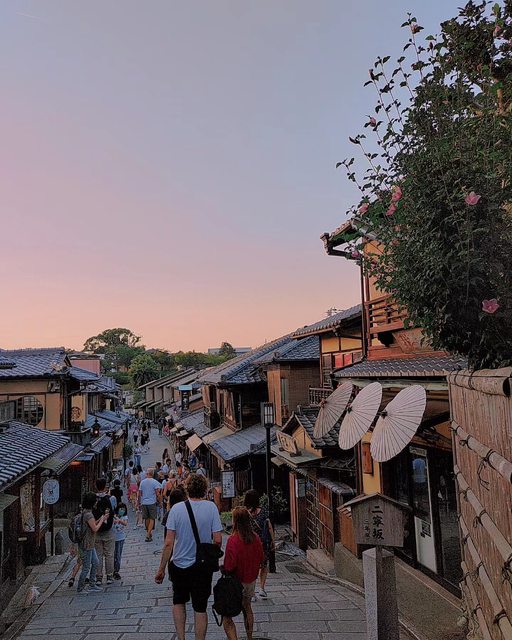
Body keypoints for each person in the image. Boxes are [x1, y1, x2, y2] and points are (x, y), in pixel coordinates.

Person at [155, 474, 223, 640]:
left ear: (187, 489)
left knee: (178, 601)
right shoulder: (211, 507)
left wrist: (161, 569)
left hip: (179, 563)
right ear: (204, 489)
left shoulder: (176, 509)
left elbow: (169, 543)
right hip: (202, 565)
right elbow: (218, 539)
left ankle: (181, 637)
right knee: (200, 607)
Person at [222, 507, 264, 640]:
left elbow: (230, 565)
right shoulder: (255, 537)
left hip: (236, 581)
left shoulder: (233, 539)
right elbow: (261, 558)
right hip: (250, 579)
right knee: (247, 608)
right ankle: (249, 637)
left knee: (226, 616)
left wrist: (223, 569)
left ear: (235, 521)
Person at [244, 490, 274, 599]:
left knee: (252, 567)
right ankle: (262, 588)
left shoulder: (245, 513)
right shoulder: (263, 511)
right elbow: (269, 526)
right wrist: (273, 540)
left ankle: (252, 592)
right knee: (264, 565)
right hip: (263, 543)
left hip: (250, 543)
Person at [77, 492, 109, 594]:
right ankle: (80, 588)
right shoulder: (88, 515)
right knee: (86, 567)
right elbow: (95, 528)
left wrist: (100, 519)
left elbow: (92, 524)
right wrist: (102, 520)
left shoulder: (85, 512)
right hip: (87, 544)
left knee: (95, 562)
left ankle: (92, 584)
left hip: (89, 543)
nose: (96, 503)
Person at [94, 478, 117, 585]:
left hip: (96, 529)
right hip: (108, 529)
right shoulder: (111, 498)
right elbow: (114, 510)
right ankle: (109, 576)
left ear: (96, 486)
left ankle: (98, 577)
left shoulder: (93, 499)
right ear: (105, 486)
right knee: (109, 554)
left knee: (98, 554)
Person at [139, 468, 162, 542]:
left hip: (144, 502)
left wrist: (139, 502)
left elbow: (140, 493)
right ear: (152, 474)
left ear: (147, 474)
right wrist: (160, 502)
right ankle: (148, 534)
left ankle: (149, 533)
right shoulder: (155, 482)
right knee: (152, 518)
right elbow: (158, 493)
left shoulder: (142, 482)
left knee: (146, 518)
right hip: (152, 502)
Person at [113, 501, 128, 580]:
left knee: (118, 555)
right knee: (114, 555)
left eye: (124, 509)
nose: (122, 511)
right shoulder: (114, 516)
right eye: (121, 509)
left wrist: (119, 520)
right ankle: (112, 569)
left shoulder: (124, 517)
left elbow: (125, 523)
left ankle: (116, 570)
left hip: (121, 538)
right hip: (113, 538)